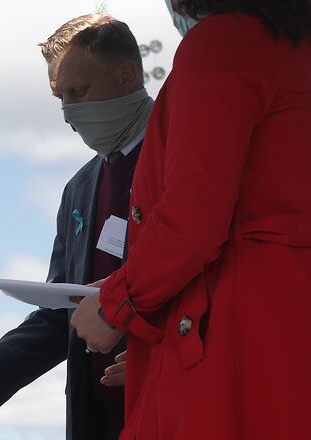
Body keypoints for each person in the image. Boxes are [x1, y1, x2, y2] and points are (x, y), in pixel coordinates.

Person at [71, 1, 311, 438]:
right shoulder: (292, 46)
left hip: (233, 354)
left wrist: (116, 304)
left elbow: (193, 219)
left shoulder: (224, 44)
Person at [0, 14, 153, 440]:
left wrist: (160, 356)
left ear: (126, 75)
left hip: (179, 409)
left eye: (79, 92)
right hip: (99, 423)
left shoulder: (187, 159)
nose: (68, 113)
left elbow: (225, 281)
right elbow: (62, 314)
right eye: (60, 97)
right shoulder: (78, 189)